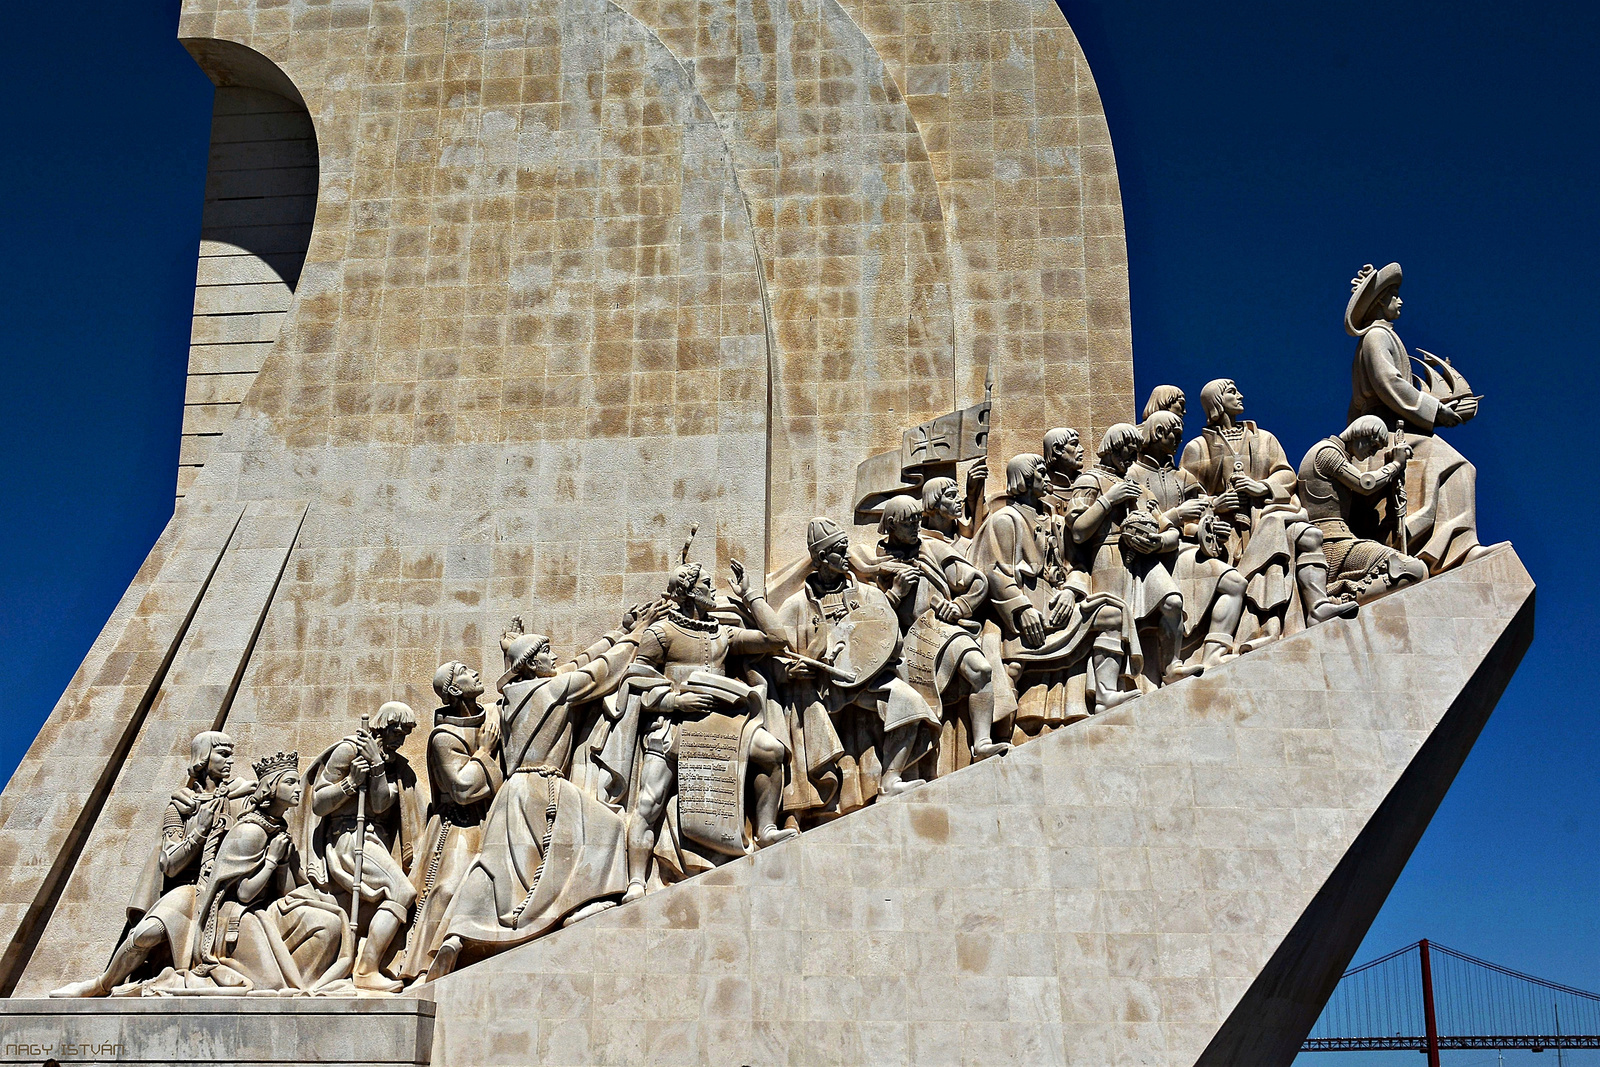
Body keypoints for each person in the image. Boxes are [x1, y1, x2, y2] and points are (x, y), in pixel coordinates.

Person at [426, 624, 647, 979]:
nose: (555, 657)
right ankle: (577, 905)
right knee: (607, 828)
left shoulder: (507, 700)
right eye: (546, 651)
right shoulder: (555, 688)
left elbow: (567, 664)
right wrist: (638, 635)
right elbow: (600, 670)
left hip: (510, 792)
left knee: (499, 867)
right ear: (531, 663)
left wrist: (510, 649)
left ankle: (457, 933)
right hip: (544, 785)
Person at [52, 752, 348, 997]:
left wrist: (283, 864)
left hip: (253, 910)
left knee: (329, 922)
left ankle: (307, 988)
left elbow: (284, 891)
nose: (299, 789)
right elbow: (241, 892)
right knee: (146, 934)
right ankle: (102, 984)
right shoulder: (249, 831)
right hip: (214, 909)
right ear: (271, 787)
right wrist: (271, 860)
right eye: (291, 782)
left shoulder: (275, 829)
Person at [618, 554, 798, 902]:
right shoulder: (661, 632)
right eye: (705, 585)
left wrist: (752, 596)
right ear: (688, 592)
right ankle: (637, 881)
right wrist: (673, 700)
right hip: (673, 723)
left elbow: (777, 638)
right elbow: (636, 676)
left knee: (773, 752)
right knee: (648, 802)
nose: (712, 589)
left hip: (720, 725)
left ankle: (766, 829)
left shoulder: (723, 634)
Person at [775, 518, 941, 816]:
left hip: (867, 682)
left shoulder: (867, 594)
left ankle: (890, 780)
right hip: (821, 690)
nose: (847, 554)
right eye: (840, 550)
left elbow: (891, 639)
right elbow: (776, 654)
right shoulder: (796, 605)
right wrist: (788, 671)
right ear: (821, 558)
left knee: (911, 702)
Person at [1180, 378, 1356, 647]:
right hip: (1228, 533)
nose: (1240, 395)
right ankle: (1265, 630)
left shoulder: (1264, 438)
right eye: (1232, 392)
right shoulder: (1197, 448)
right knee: (1271, 551)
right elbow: (1187, 498)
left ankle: (1318, 604)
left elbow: (1285, 474)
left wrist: (1261, 486)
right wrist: (1217, 504)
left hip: (1268, 515)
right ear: (1216, 401)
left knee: (1308, 535)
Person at [971, 454, 1134, 722]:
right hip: (1026, 617)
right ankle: (996, 733)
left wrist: (1071, 592)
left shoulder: (1055, 522)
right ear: (1024, 480)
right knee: (1011, 669)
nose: (1047, 479)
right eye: (1040, 474)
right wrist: (1021, 610)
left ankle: (1106, 695)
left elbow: (1078, 566)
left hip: (1060, 608)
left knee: (1112, 615)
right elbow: (994, 572)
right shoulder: (1005, 519)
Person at [1346, 262, 1486, 573]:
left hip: (1400, 427)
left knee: (1457, 468)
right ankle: (1455, 552)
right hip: (1384, 434)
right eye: (1394, 295)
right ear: (1380, 302)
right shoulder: (1376, 336)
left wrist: (1444, 405)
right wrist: (1437, 412)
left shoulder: (1384, 336)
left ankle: (1450, 547)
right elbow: (1390, 384)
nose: (1401, 301)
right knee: (1458, 467)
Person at [873, 495, 1007, 761]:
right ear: (890, 525)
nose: (916, 528)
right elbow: (870, 620)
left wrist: (959, 605)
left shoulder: (932, 548)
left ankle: (981, 743)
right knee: (910, 703)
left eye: (917, 522)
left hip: (942, 628)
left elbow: (977, 581)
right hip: (907, 641)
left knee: (981, 670)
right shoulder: (871, 561)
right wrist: (897, 593)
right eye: (908, 523)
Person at [303, 702, 423, 992]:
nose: (401, 738)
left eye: (405, 733)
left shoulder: (393, 764)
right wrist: (350, 783)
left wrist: (379, 768)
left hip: (374, 838)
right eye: (396, 730)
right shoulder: (348, 750)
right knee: (403, 891)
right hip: (347, 837)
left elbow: (381, 803)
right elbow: (318, 803)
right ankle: (367, 969)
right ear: (381, 727)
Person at [395, 663, 503, 981]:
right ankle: (426, 960)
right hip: (459, 823)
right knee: (448, 887)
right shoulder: (443, 737)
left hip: (495, 817)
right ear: (454, 690)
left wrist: (511, 658)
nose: (476, 673)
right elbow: (462, 789)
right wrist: (484, 751)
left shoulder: (494, 716)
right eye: (466, 671)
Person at [1068, 424, 1196, 687]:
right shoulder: (1089, 481)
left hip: (1146, 557)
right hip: (1108, 554)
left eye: (1135, 453)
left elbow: (1171, 532)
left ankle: (1172, 666)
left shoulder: (1139, 489)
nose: (1132, 459)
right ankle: (1108, 688)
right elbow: (1079, 531)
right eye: (1127, 452)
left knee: (1172, 602)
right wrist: (1109, 499)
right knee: (1114, 619)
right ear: (1113, 448)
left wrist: (1158, 542)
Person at [1125, 411, 1248, 672]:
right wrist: (1177, 515)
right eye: (1175, 436)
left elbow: (1200, 519)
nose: (1180, 442)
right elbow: (1134, 523)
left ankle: (1214, 653)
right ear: (1158, 434)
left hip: (1183, 551)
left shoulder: (1184, 478)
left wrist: (1212, 529)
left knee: (1235, 582)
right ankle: (1171, 666)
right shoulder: (1131, 474)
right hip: (1149, 556)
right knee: (1172, 603)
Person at [124, 731, 254, 928]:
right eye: (223, 754)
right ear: (204, 757)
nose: (231, 761)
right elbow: (170, 865)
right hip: (185, 891)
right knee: (146, 935)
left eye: (231, 755)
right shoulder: (180, 807)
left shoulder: (242, 798)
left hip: (226, 893)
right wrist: (200, 830)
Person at [1297, 416, 1429, 597]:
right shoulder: (1327, 452)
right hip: (1333, 543)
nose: (1372, 453)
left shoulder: (1338, 455)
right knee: (1413, 569)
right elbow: (1365, 484)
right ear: (1361, 433)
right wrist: (1396, 464)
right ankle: (1341, 603)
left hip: (1339, 540)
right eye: (1373, 445)